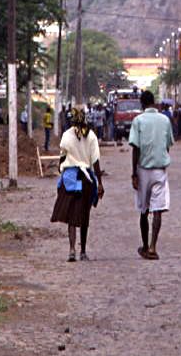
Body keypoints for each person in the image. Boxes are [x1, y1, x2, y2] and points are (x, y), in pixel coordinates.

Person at [50, 106, 105, 262]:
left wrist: (61, 168)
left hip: (70, 179)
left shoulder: (67, 135)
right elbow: (96, 162)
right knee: (84, 216)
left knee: (71, 216)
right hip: (86, 180)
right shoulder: (92, 136)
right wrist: (99, 183)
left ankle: (71, 249)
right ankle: (83, 251)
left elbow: (62, 157)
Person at [129, 90, 174, 261]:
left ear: (142, 103)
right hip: (160, 169)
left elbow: (135, 148)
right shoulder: (165, 120)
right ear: (154, 102)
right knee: (158, 210)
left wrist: (134, 173)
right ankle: (154, 247)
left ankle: (145, 245)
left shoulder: (138, 121)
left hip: (143, 169)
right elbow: (168, 145)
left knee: (143, 209)